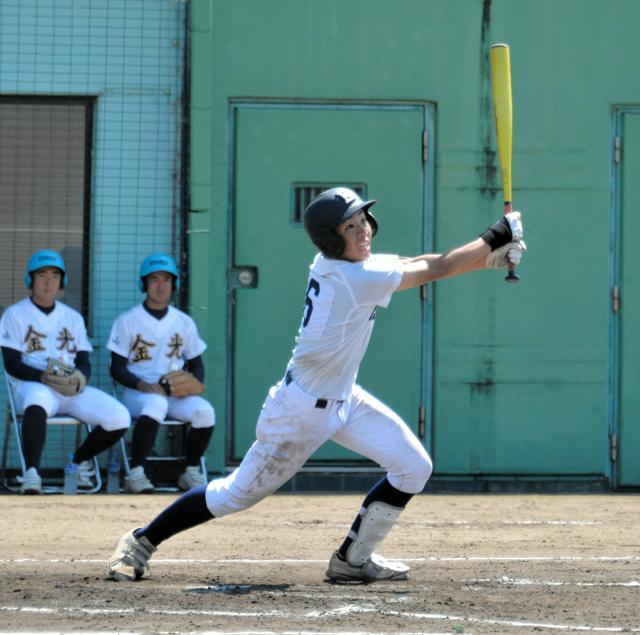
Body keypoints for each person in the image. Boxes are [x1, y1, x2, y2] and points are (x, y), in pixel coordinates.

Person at [106, 188, 525, 583]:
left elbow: (424, 262)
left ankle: (351, 560)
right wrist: (495, 237)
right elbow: (437, 267)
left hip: (343, 398)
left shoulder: (346, 267)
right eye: (350, 227)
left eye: (363, 220)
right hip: (298, 413)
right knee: (234, 495)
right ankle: (140, 542)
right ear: (331, 238)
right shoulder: (357, 277)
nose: (363, 230)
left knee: (414, 466)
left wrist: (487, 258)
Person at [0, 249, 131, 494]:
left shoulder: (72, 317)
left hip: (68, 388)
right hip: (32, 386)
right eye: (42, 275)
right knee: (37, 400)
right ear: (31, 280)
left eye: (55, 275)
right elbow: (11, 363)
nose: (49, 281)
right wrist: (43, 377)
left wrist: (81, 378)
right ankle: (32, 473)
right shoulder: (15, 315)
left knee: (119, 416)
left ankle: (77, 463)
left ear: (63, 281)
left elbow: (83, 360)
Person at [107, 253, 215, 494]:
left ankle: (190, 471)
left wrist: (194, 383)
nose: (160, 285)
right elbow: (116, 367)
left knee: (204, 411)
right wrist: (142, 385)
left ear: (173, 285)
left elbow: (196, 364)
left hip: (174, 393)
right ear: (144, 284)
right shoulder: (128, 321)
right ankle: (136, 473)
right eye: (154, 279)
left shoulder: (184, 322)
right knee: (155, 403)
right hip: (139, 394)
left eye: (166, 280)